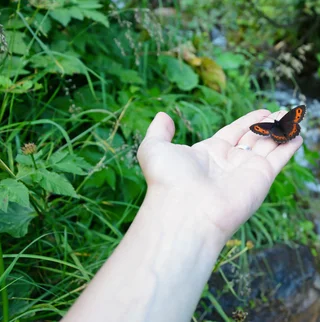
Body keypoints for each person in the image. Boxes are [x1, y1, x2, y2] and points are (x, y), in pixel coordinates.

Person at [62, 109, 303, 322]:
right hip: (281, 132)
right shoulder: (282, 122)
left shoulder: (266, 129)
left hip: (277, 133)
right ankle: (286, 133)